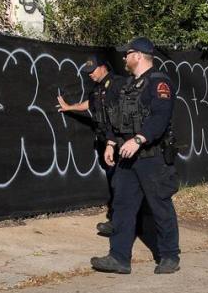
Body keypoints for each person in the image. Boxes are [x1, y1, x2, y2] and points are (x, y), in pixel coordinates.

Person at [91, 37, 180, 275]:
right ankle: (119, 258)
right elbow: (115, 115)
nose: (124, 58)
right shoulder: (128, 85)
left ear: (138, 56)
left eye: (127, 53)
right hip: (127, 157)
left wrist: (139, 139)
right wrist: (111, 141)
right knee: (122, 206)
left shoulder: (159, 84)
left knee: (160, 206)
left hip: (151, 158)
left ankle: (170, 256)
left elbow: (159, 119)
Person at [56, 50, 124, 236]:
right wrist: (70, 107)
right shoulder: (98, 87)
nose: (91, 74)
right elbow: (90, 103)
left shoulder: (118, 85)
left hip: (119, 143)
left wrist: (113, 142)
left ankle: (119, 222)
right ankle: (121, 220)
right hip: (107, 143)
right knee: (116, 182)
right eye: (88, 71)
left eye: (93, 70)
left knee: (121, 183)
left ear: (103, 67)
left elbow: (121, 114)